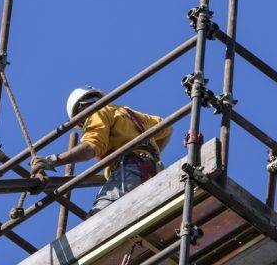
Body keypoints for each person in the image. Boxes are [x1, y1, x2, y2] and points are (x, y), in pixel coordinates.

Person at [30, 86, 173, 215]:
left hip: (129, 172)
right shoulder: (126, 112)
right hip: (154, 172)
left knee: (98, 218)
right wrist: (147, 155)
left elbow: (91, 147)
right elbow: (167, 128)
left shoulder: (97, 113)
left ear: (81, 109)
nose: (84, 124)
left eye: (81, 122)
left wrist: (52, 161)